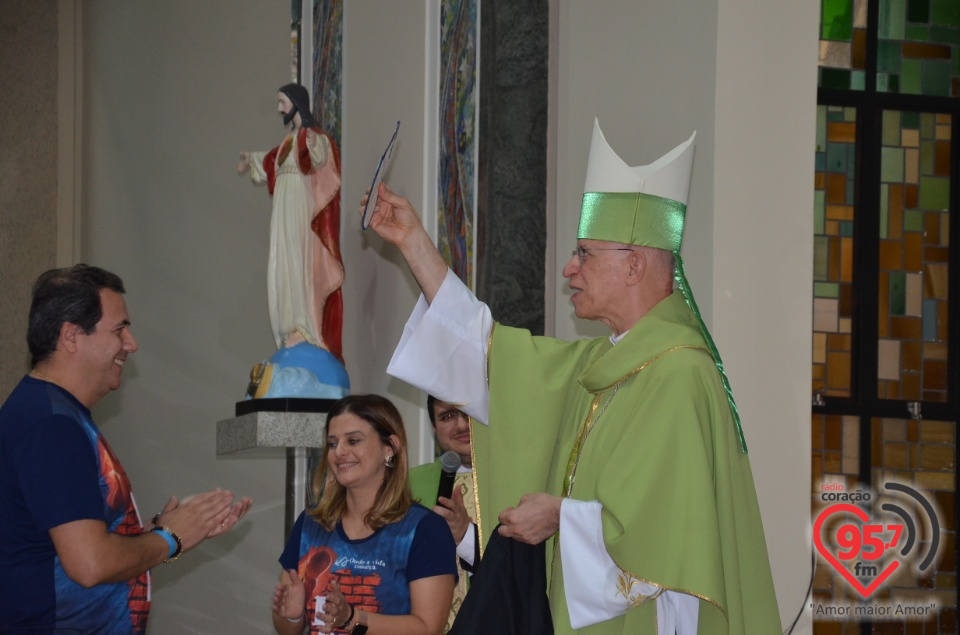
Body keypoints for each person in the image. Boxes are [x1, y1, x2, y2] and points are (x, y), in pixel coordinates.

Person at [362, 119, 782, 634]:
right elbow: (487, 355)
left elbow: (666, 536)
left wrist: (561, 515)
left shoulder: (679, 375)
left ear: (633, 266)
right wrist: (413, 244)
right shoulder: (602, 368)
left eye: (585, 254)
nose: (569, 269)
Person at [0, 264, 252, 634]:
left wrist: (161, 528)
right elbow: (89, 564)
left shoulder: (56, 414)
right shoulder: (51, 424)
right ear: (71, 335)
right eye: (120, 329)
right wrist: (169, 539)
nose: (131, 344)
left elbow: (73, 539)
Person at [271, 394, 457, 635]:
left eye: (353, 441)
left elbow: (427, 628)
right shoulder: (310, 525)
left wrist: (352, 618)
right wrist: (294, 615)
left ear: (390, 447)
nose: (339, 452)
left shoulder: (425, 529)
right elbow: (287, 630)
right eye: (333, 443)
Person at [238, 82, 345, 362]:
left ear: (297, 102)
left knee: (299, 265)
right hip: (282, 214)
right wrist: (251, 159)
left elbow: (322, 155)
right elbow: (272, 160)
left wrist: (313, 146)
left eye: (282, 102)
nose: (279, 108)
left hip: (301, 212)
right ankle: (289, 329)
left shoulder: (312, 135)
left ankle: (305, 327)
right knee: (283, 264)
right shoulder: (288, 141)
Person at [408, 396, 479, 632]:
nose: (460, 425)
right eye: (447, 416)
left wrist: (466, 537)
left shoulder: (521, 477)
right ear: (433, 426)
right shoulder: (408, 484)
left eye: (469, 411)